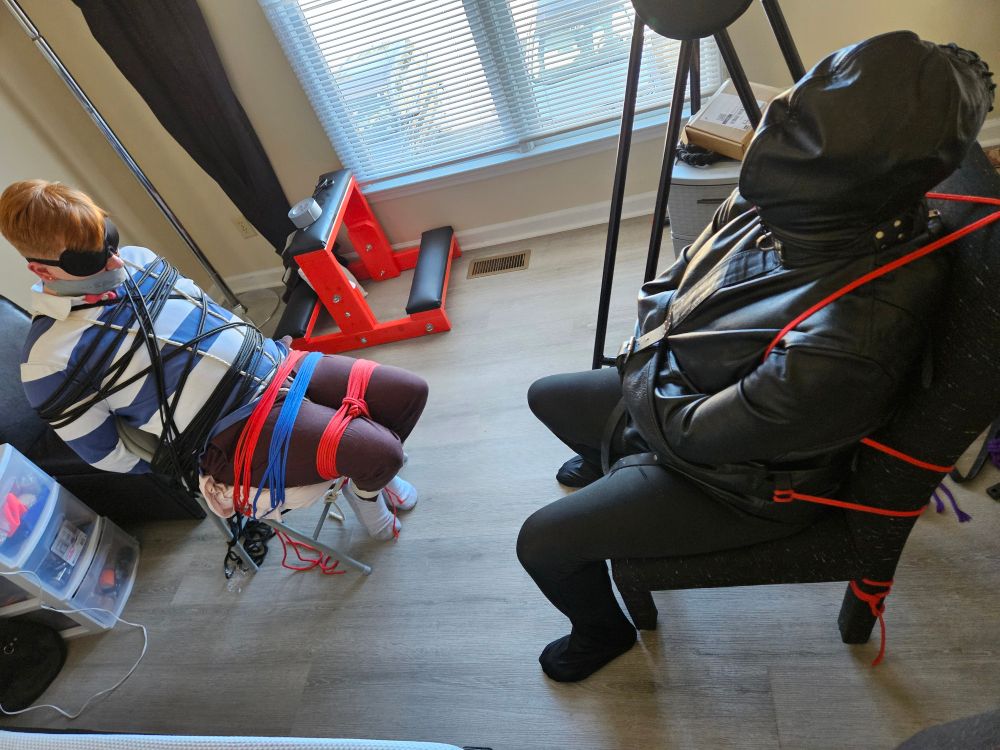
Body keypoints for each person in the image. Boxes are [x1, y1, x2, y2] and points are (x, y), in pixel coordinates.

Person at [517, 31, 996, 682]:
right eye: (805, 96)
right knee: (545, 396)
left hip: (741, 484)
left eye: (808, 127)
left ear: (856, 169)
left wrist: (643, 360)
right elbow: (674, 279)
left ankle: (602, 633)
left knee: (541, 542)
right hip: (687, 384)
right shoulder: (787, 196)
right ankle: (614, 460)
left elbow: (691, 432)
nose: (776, 116)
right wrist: (653, 353)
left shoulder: (851, 338)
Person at [0, 179, 428, 541]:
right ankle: (369, 500)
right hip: (232, 432)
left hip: (274, 363)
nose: (115, 259)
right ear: (42, 270)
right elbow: (107, 453)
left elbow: (211, 312)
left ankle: (365, 478)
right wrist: (190, 460)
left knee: (408, 393)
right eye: (90, 260)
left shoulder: (139, 261)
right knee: (381, 451)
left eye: (108, 239)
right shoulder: (48, 362)